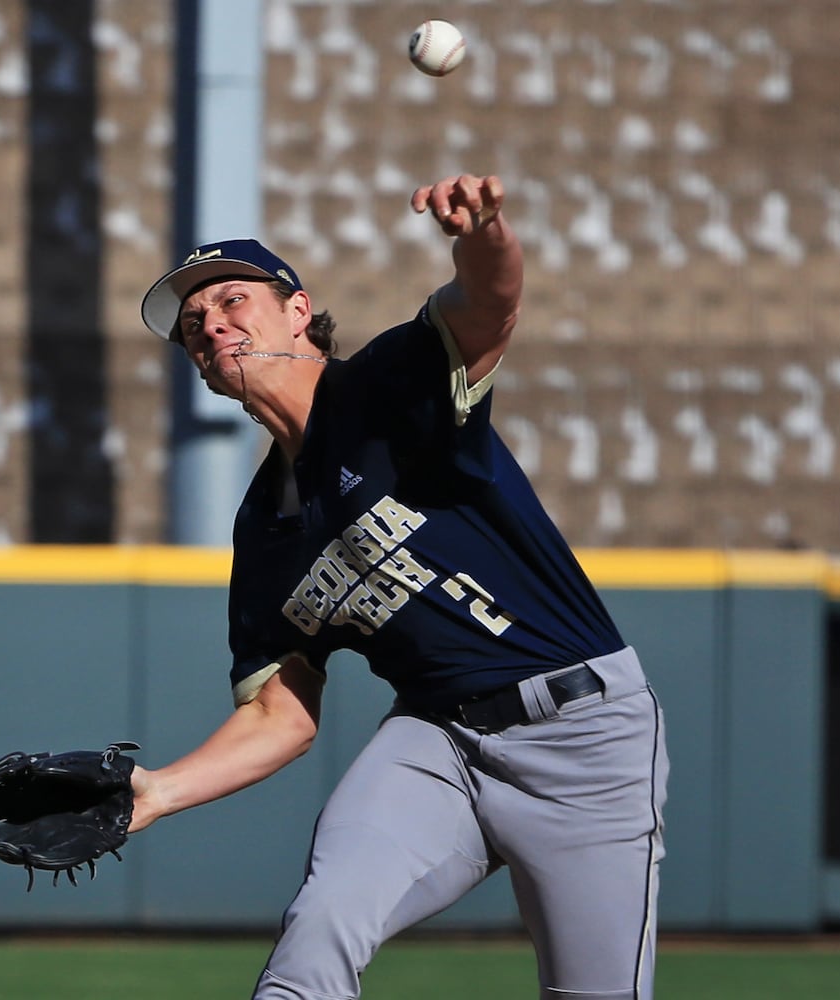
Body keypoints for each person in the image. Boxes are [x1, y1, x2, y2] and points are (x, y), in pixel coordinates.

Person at [130, 174, 669, 1000]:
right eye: (194, 328)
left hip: (580, 736)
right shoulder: (266, 529)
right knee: (316, 937)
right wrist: (158, 791)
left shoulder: (384, 386)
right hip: (437, 745)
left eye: (232, 301)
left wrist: (484, 231)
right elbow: (279, 711)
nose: (211, 327)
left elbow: (489, 304)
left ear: (297, 311)